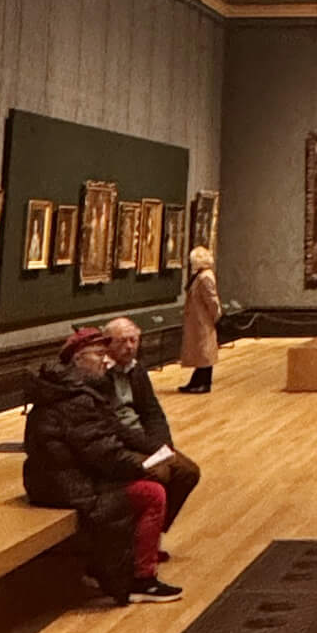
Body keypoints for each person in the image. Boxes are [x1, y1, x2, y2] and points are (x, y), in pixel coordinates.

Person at [22, 328, 182, 604]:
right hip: (66, 486)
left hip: (67, 477)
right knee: (151, 493)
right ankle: (140, 578)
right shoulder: (75, 399)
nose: (106, 361)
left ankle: (129, 561)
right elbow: (102, 452)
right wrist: (144, 466)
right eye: (99, 355)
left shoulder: (77, 390)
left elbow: (111, 434)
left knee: (165, 476)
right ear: (77, 359)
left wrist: (156, 450)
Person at [104, 316, 200, 539]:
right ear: (107, 343)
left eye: (133, 340)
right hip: (119, 443)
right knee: (160, 473)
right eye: (122, 341)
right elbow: (112, 425)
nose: (130, 347)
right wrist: (152, 447)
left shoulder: (136, 370)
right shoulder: (101, 375)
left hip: (143, 440)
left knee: (188, 472)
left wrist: (164, 444)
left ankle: (152, 532)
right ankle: (132, 537)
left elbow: (152, 412)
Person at [178, 245, 220, 392]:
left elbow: (212, 300)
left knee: (204, 352)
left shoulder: (205, 277)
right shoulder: (200, 275)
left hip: (203, 320)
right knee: (201, 352)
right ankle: (197, 382)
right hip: (198, 319)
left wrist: (216, 316)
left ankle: (203, 383)